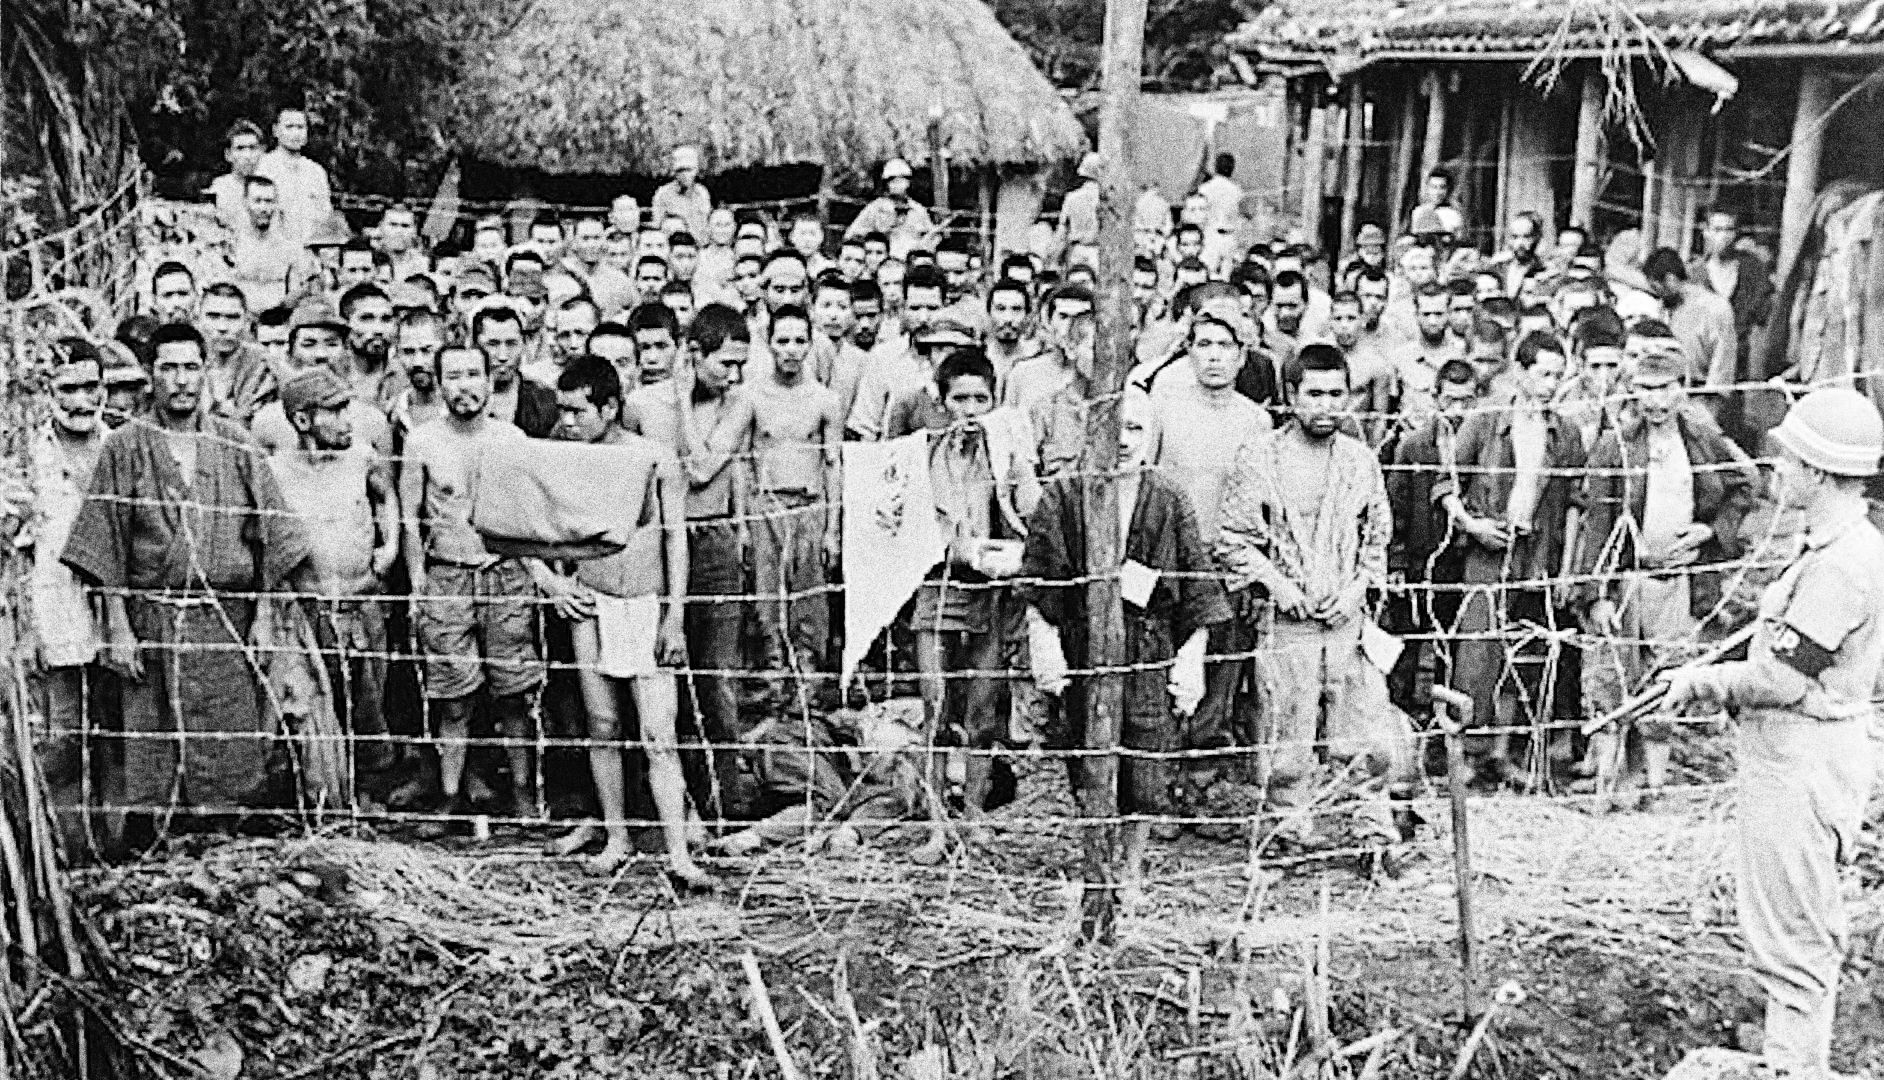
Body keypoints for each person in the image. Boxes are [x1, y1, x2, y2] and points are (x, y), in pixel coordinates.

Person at [1657, 388, 1883, 1079]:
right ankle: (1792, 1064)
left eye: (1788, 459)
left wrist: (1707, 683)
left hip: (1803, 761)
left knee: (1796, 939)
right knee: (1790, 928)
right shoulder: (1841, 547)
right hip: (1798, 756)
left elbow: (1784, 680)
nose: (1777, 470)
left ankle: (1797, 1070)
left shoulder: (1842, 565)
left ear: (1817, 471)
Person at [61, 323, 312, 836]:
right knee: (153, 740)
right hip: (152, 619)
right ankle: (157, 845)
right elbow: (105, 538)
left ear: (206, 372)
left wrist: (265, 617)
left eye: (190, 367)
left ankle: (225, 839)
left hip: (226, 621)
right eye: (168, 368)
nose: (181, 380)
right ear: (151, 376)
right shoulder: (126, 446)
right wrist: (118, 626)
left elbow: (272, 536)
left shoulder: (235, 443)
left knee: (227, 741)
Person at [1023, 386, 1227, 900]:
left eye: (1136, 429)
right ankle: (1097, 863)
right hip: (1083, 646)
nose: (1123, 441)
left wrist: (1193, 654)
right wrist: (1043, 641)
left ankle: (1131, 865)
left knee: (1146, 761)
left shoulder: (1168, 497)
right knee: (1086, 754)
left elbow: (1197, 584)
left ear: (1152, 435)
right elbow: (1039, 580)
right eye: (1113, 427)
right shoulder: (1065, 494)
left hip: (1149, 648)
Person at [1215, 345, 1415, 848]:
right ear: (1291, 396)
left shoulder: (1359, 460)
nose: (1326, 406)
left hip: (1346, 623)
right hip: (1287, 626)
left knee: (1364, 732)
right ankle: (1290, 829)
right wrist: (1278, 585)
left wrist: (1354, 592)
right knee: (1287, 740)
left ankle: (1370, 826)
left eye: (1336, 394)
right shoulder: (1260, 457)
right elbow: (1232, 539)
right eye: (1315, 394)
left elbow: (1378, 540)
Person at [533, 355, 710, 886]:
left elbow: (676, 538)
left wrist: (674, 616)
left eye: (578, 411)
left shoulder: (653, 459)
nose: (567, 422)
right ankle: (617, 837)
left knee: (659, 733)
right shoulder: (560, 458)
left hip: (645, 604)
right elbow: (519, 526)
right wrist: (552, 581)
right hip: (590, 603)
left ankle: (678, 852)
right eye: (562, 411)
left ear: (609, 408)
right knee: (602, 725)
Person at [1575, 350, 1757, 804]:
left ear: (1683, 388)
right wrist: (1596, 593)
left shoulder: (1703, 439)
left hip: (1678, 582)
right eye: (1646, 388)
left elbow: (1743, 485)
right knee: (1611, 679)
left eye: (1666, 387)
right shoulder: (1615, 444)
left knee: (1667, 676)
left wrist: (1711, 530)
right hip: (1626, 582)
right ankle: (1606, 787)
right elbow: (1598, 523)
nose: (1656, 399)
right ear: (1633, 390)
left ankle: (1655, 787)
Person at [400, 344, 559, 832]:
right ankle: (450, 798)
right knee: (453, 697)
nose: (464, 386)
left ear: (491, 380)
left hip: (505, 573)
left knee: (515, 694)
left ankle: (524, 796)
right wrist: (418, 584)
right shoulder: (422, 442)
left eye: (473, 374)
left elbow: (528, 516)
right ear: (440, 382)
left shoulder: (510, 438)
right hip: (447, 574)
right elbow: (410, 518)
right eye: (454, 376)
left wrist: (536, 574)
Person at [1434, 330, 1586, 786]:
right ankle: (1464, 755)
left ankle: (1502, 751)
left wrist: (1566, 567)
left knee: (1526, 649)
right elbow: (1446, 485)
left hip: (1536, 554)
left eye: (1558, 375)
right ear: (1520, 372)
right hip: (1487, 551)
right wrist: (1472, 525)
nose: (1550, 384)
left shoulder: (1565, 432)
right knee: (1477, 650)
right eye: (1542, 373)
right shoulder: (1485, 422)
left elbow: (1577, 502)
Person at [623, 305, 752, 821]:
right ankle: (665, 805)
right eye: (725, 363)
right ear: (693, 354)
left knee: (717, 678)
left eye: (742, 363)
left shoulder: (739, 403)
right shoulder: (640, 405)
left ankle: (726, 799)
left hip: (714, 540)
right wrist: (673, 400)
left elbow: (700, 468)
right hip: (656, 543)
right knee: (658, 676)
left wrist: (682, 402)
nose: (735, 374)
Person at [906, 349, 1039, 825]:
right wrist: (961, 551)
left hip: (992, 593)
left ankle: (975, 815)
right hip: (937, 588)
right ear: (943, 402)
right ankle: (937, 821)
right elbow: (910, 524)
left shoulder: (1005, 454)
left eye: (980, 398)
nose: (970, 409)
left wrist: (1017, 460)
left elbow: (1033, 514)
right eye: (959, 398)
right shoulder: (921, 454)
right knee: (937, 707)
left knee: (982, 713)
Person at [1148, 314, 1273, 785]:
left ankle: (1200, 780)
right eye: (1204, 344)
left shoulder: (1256, 420)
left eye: (1225, 345)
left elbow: (1262, 504)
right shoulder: (1164, 406)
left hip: (1226, 562)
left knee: (1220, 670)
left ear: (1242, 356)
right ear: (1189, 351)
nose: (1215, 355)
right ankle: (1154, 780)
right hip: (1169, 561)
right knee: (1161, 667)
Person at [271, 368, 402, 784]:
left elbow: (386, 499)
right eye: (335, 412)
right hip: (305, 611)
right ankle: (323, 793)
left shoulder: (362, 458)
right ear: (303, 421)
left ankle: (369, 789)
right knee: (313, 701)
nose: (348, 422)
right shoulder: (275, 470)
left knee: (367, 698)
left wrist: (388, 553)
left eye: (348, 409)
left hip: (361, 601)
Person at [18, 340, 112, 854]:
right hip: (55, 607)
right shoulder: (27, 456)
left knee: (117, 731)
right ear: (45, 394)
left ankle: (115, 844)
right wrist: (27, 628)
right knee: (65, 734)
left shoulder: (119, 446)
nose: (81, 401)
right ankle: (66, 846)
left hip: (116, 606)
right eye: (67, 389)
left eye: (90, 387)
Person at [740, 304, 842, 716]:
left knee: (810, 600)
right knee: (768, 600)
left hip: (810, 505)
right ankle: (775, 682)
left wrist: (832, 528)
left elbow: (833, 465)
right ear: (769, 344)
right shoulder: (751, 396)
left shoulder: (825, 400)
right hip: (766, 505)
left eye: (800, 340)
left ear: (811, 343)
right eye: (783, 340)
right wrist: (745, 524)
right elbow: (743, 462)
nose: (791, 349)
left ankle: (809, 687)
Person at [1386, 358, 1480, 713]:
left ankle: (1442, 722)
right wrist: (1395, 560)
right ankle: (1402, 715)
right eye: (1451, 400)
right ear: (1436, 398)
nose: (1458, 410)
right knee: (1409, 641)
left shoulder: (1480, 447)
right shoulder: (1414, 447)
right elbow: (1396, 507)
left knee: (1450, 643)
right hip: (1418, 559)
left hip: (1460, 561)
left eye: (1467, 401)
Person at [1690, 207, 1776, 447]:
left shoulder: (1751, 269)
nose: (1724, 236)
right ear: (1705, 232)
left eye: (1729, 230)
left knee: (1735, 431)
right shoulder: (1694, 274)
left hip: (1741, 363)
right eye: (1717, 230)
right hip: (1704, 365)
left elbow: (1764, 316)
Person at [1643, 247, 1737, 402]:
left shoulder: (1715, 307)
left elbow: (1723, 359)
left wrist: (1711, 399)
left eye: (1656, 287)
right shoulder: (1662, 308)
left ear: (1670, 279)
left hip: (1702, 393)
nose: (1656, 294)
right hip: (1666, 391)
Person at [229, 175, 321, 313]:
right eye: (257, 201)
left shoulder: (290, 248)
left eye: (269, 201)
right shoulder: (232, 245)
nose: (264, 208)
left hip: (279, 320)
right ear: (245, 202)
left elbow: (306, 289)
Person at [196, 282, 279, 426]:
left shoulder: (264, 365)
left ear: (246, 322)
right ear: (198, 319)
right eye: (213, 316)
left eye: (232, 317)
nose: (222, 327)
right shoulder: (184, 360)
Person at [470, 304, 558, 437]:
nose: (503, 356)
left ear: (523, 344)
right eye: (492, 344)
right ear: (474, 346)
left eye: (511, 344)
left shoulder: (546, 400)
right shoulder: (459, 397)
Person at [254, 108, 334, 243]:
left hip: (309, 248)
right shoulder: (263, 167)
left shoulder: (316, 171)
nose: (295, 133)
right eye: (289, 127)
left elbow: (325, 217)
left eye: (300, 127)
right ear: (276, 130)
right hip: (272, 247)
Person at [846, 159, 937, 260]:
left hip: (910, 261)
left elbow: (932, 239)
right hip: (882, 262)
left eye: (902, 179)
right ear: (887, 183)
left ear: (908, 182)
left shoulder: (918, 210)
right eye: (893, 180)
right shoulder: (876, 208)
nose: (897, 184)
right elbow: (852, 234)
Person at [389, 308, 447, 442]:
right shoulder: (394, 411)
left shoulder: (462, 408)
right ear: (397, 353)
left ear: (444, 350)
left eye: (427, 351)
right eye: (408, 352)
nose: (417, 362)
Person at [209, 121, 266, 230]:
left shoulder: (271, 187)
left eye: (252, 148)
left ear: (261, 151)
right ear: (228, 154)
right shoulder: (220, 188)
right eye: (240, 148)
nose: (247, 155)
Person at [650, 145, 712, 241]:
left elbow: (704, 223)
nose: (685, 175)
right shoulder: (663, 193)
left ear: (696, 170)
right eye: (680, 171)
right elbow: (657, 224)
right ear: (674, 172)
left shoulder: (701, 193)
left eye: (689, 170)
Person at [1197, 153, 1245, 271]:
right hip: (1229, 236)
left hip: (1211, 235)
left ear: (1216, 167)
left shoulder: (1205, 189)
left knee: (1208, 271)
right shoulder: (1237, 190)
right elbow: (1241, 216)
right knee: (1226, 274)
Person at [1488, 212, 1545, 298]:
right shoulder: (1498, 267)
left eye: (1526, 237)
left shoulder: (1542, 270)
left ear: (1537, 237)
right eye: (1514, 237)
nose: (1520, 243)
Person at [1057, 153, 1102, 256]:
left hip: (1075, 251)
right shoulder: (1104, 199)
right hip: (1097, 251)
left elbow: (1062, 228)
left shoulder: (1071, 196)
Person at [1408, 168, 1464, 240]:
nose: (1437, 192)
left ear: (1448, 189)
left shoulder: (1454, 214)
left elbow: (1455, 240)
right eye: (1434, 187)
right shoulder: (1418, 211)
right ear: (1427, 188)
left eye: (1442, 187)